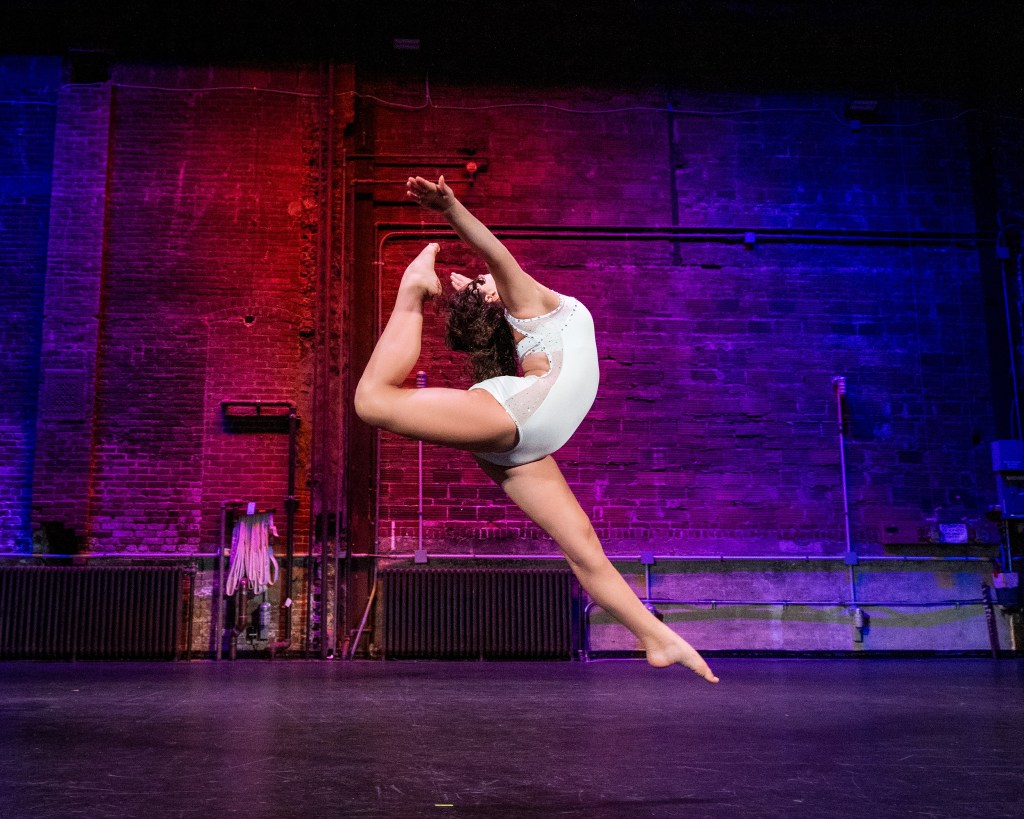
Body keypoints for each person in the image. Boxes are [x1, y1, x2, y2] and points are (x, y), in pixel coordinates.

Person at [355, 175, 719, 683]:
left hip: (530, 437)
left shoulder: (528, 319)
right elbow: (497, 254)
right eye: (485, 284)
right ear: (498, 301)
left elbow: (493, 270)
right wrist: (451, 209)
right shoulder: (536, 308)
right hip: (528, 420)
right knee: (372, 401)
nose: (485, 278)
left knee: (583, 546)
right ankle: (410, 294)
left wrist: (471, 286)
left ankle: (655, 637)